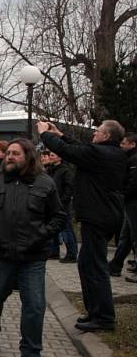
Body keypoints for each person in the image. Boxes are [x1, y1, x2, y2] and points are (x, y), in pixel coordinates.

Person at [0, 139, 65, 357]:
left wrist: (42, 235)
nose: (9, 157)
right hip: (1, 254)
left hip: (32, 257)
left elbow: (59, 217)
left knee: (34, 305)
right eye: (8, 153)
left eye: (15, 153)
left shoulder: (45, 184)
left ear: (28, 157)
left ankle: (31, 354)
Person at [39, 120, 127, 332]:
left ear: (106, 137)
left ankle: (104, 317)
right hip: (102, 215)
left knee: (95, 266)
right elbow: (80, 149)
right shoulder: (109, 153)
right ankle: (95, 312)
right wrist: (60, 134)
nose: (94, 134)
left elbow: (70, 152)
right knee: (86, 264)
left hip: (98, 216)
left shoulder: (101, 154)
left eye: (97, 132)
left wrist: (45, 135)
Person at [45, 151, 77, 263]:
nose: (50, 157)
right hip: (53, 204)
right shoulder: (52, 170)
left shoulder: (66, 170)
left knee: (66, 229)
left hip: (63, 205)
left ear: (60, 158)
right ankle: (54, 252)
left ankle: (72, 253)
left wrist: (63, 202)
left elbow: (69, 188)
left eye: (52, 155)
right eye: (50, 155)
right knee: (54, 228)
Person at [122, 133, 137, 283]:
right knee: (127, 236)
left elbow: (133, 183)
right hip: (130, 201)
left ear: (132, 145)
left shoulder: (133, 160)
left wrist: (123, 193)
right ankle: (115, 264)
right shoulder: (130, 159)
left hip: (133, 201)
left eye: (124, 143)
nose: (121, 145)